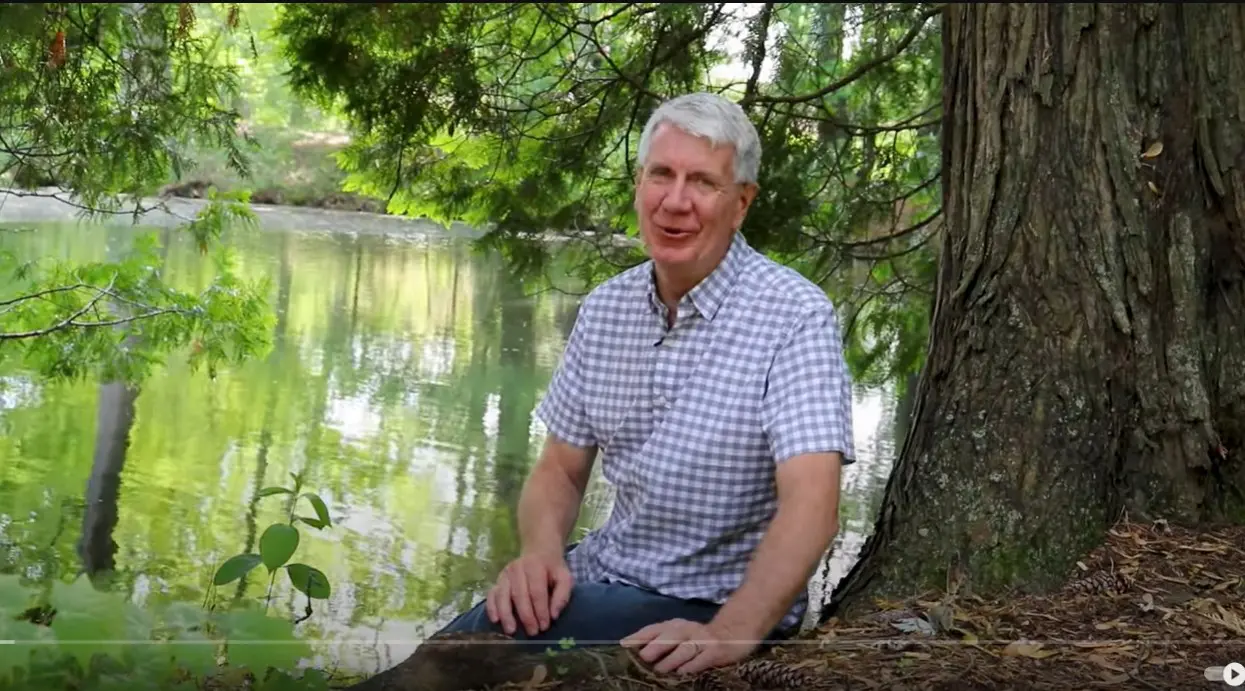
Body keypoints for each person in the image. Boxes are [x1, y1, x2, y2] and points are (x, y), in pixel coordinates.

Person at [436, 92, 855, 677]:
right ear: (639, 184)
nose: (674, 202)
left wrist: (730, 632)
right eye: (661, 174)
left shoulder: (793, 316)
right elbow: (559, 467)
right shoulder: (607, 308)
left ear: (741, 203)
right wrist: (539, 555)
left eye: (703, 183)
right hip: (602, 573)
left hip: (706, 603)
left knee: (462, 660)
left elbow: (813, 503)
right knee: (466, 641)